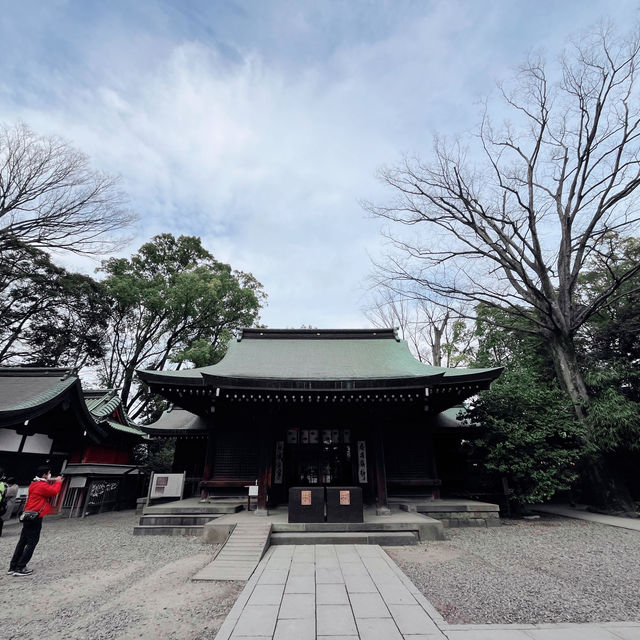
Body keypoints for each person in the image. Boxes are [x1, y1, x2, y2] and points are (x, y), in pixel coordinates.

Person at [8, 466, 63, 577]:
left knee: (22, 541)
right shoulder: (41, 485)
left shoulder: (34, 484)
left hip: (28, 515)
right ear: (44, 475)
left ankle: (13, 566)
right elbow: (54, 491)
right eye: (48, 473)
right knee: (32, 542)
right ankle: (20, 567)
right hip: (35, 516)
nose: (49, 475)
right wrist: (58, 482)